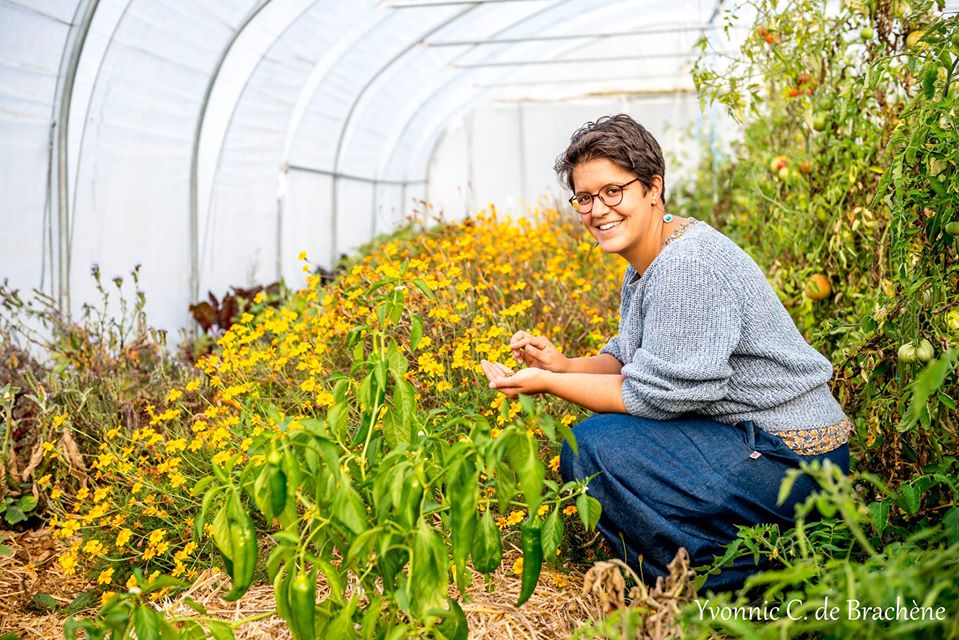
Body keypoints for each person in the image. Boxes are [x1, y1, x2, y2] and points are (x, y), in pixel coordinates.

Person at [478, 113, 853, 592]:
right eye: (585, 198)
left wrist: (549, 383)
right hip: (757, 440)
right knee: (602, 441)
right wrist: (565, 365)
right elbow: (633, 355)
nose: (598, 210)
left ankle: (731, 584)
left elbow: (659, 395)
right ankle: (723, 567)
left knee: (594, 447)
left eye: (614, 191)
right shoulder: (653, 256)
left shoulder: (685, 266)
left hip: (795, 460)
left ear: (652, 188)